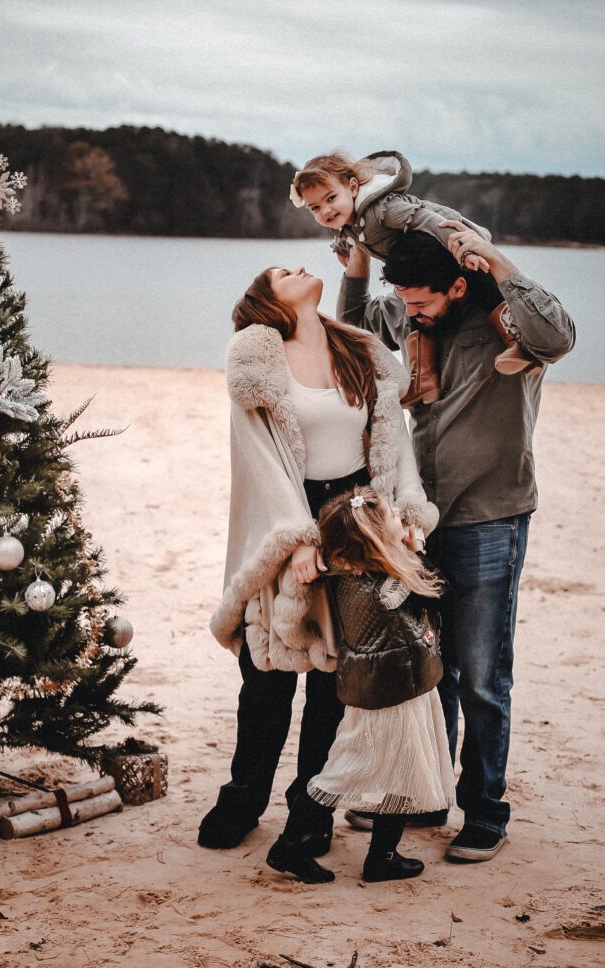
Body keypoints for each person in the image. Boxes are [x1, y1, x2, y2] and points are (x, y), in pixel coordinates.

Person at [336, 224, 575, 861]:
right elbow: (356, 325)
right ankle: (427, 796)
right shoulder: (419, 325)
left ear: (459, 284)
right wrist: (359, 265)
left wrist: (496, 257)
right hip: (423, 523)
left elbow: (560, 334)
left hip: (490, 518)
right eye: (407, 304)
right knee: (429, 669)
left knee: (482, 680)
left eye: (420, 303)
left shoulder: (510, 325)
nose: (410, 315)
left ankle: (486, 813)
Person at [198, 263, 438, 859]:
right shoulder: (258, 363)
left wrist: (405, 513)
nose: (299, 267)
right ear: (266, 299)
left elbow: (392, 440)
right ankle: (244, 798)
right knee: (268, 675)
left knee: (336, 677)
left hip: (357, 518)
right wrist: (296, 537)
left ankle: (309, 817)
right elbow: (258, 459)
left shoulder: (358, 349)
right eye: (281, 271)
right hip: (287, 510)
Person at [265, 485, 455, 885]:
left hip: (395, 688)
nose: (400, 517)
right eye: (391, 516)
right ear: (373, 538)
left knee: (396, 770)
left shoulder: (356, 574)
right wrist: (414, 548)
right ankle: (293, 844)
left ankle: (381, 857)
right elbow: (431, 586)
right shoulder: (379, 586)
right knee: (345, 770)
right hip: (389, 694)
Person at [290, 149, 540, 407]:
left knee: (484, 286)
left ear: (353, 187)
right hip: (424, 265)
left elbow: (428, 221)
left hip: (455, 242)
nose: (326, 211)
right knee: (417, 312)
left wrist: (462, 250)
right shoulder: (348, 224)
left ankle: (516, 343)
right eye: (315, 207)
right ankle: (424, 379)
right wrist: (348, 253)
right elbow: (345, 244)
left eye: (331, 198)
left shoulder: (383, 209)